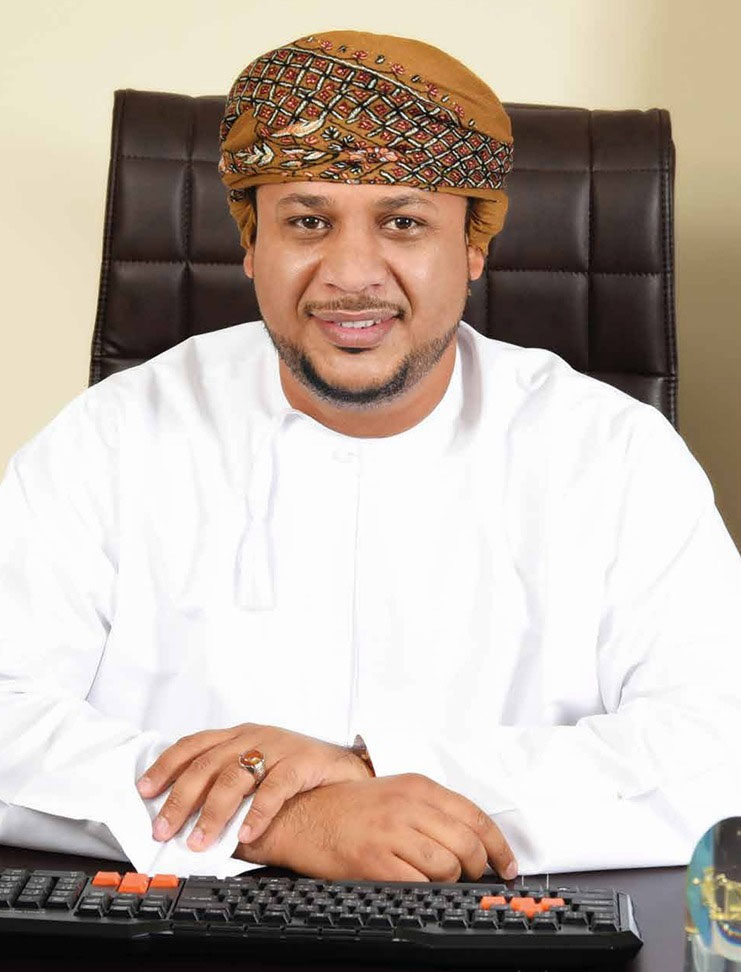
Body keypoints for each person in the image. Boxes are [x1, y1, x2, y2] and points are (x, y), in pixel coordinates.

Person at [0, 29, 739, 883]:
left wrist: (368, 770)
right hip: (167, 929)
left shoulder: (610, 452)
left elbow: (717, 747)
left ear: (473, 249)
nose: (351, 274)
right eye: (307, 222)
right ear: (251, 246)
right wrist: (287, 823)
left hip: (505, 931)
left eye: (403, 223)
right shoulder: (113, 435)